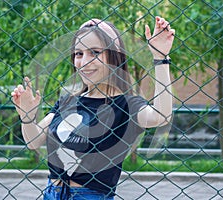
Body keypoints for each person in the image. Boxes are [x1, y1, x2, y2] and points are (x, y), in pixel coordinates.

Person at [11, 16, 175, 200]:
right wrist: (27, 116)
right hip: (52, 193)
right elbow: (33, 141)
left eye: (95, 52)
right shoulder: (67, 101)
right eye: (79, 54)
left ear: (115, 57)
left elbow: (161, 116)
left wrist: (160, 58)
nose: (84, 61)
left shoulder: (125, 104)